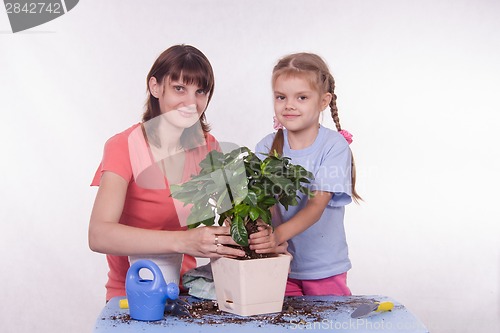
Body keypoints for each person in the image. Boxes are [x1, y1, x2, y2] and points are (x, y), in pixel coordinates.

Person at [88, 44, 245, 301]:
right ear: (155, 87)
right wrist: (184, 241)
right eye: (179, 88)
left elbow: (233, 216)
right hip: (132, 294)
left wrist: (261, 236)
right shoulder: (122, 147)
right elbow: (98, 234)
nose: (191, 102)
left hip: (188, 292)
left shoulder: (208, 146)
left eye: (200, 91)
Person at [250, 52, 361, 296]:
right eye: (281, 97)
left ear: (323, 101)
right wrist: (266, 240)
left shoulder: (333, 146)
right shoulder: (265, 147)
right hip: (280, 264)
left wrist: (275, 236)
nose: (289, 105)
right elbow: (262, 203)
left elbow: (315, 206)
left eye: (301, 97)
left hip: (324, 268)